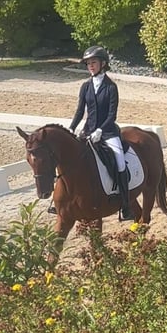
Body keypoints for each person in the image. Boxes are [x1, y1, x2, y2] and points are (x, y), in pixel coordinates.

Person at [67, 45, 134, 221]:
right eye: (88, 63)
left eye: (93, 62)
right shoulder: (85, 86)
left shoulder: (111, 87)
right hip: (87, 131)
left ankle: (125, 205)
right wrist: (71, 128)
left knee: (120, 162)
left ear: (103, 64)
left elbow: (112, 114)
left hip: (108, 132)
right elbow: (80, 111)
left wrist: (100, 130)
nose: (90, 65)